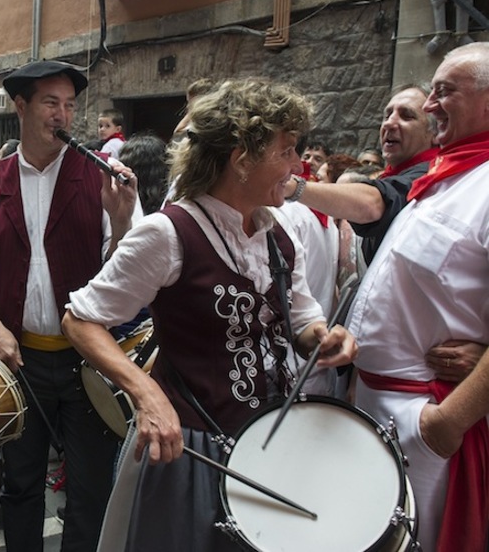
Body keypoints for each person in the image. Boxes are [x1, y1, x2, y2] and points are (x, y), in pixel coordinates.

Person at [62, 79, 358, 551]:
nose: (297, 166)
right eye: (285, 152)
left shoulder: (278, 232)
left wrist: (323, 337)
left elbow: (302, 320)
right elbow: (80, 320)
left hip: (270, 442)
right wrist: (146, 394)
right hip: (192, 453)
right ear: (242, 158)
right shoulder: (168, 233)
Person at [0, 60, 140, 551]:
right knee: (19, 484)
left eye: (69, 105)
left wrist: (122, 223)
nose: (63, 115)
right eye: (50, 103)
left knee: (90, 487)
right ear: (20, 107)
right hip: (18, 359)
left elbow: (125, 278)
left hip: (89, 361)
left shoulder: (101, 177)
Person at [347, 42, 489, 552]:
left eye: (445, 92)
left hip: (425, 419)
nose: (431, 106)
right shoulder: (446, 176)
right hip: (375, 406)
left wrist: (447, 424)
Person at [284, 85, 440, 262]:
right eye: (387, 115)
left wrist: (289, 186)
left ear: (435, 132)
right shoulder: (397, 174)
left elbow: (373, 204)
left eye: (407, 116)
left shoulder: (431, 175)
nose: (389, 123)